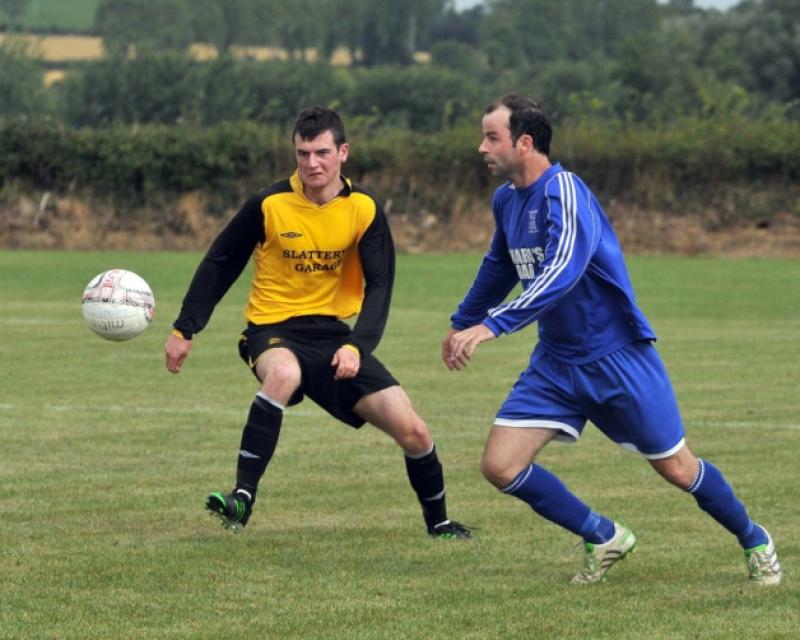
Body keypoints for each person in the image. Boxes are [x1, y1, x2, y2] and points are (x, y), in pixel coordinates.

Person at [441, 93, 781, 584]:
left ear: (525, 142)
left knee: (679, 470)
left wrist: (493, 325)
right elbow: (499, 265)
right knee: (500, 465)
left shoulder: (567, 192)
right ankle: (603, 536)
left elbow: (562, 271)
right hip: (556, 364)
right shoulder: (505, 200)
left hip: (617, 358)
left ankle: (754, 538)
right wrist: (462, 320)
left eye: (491, 137)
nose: (481, 147)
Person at [165, 106, 471, 540]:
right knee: (283, 374)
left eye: (322, 152)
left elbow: (380, 286)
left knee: (414, 430)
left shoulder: (363, 209)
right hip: (271, 330)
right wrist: (185, 328)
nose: (312, 163)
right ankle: (241, 499)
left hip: (333, 337)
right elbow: (220, 262)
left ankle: (440, 525)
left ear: (343, 152)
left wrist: (356, 347)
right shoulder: (269, 204)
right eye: (303, 153)